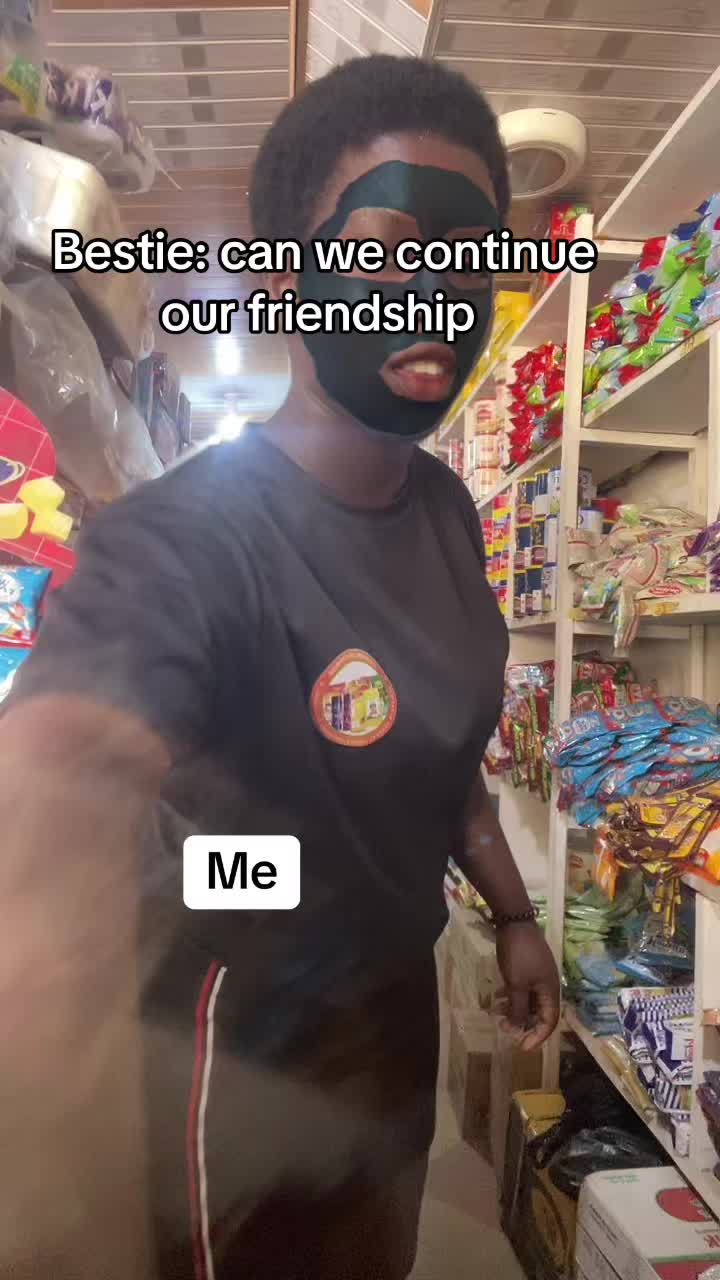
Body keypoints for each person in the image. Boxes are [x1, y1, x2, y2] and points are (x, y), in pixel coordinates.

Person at [0, 54, 559, 1280]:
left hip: (389, 1039)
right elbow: (47, 846)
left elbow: (441, 754)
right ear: (283, 278)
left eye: (469, 256)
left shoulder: (450, 514)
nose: (434, 295)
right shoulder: (185, 539)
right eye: (388, 250)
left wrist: (514, 913)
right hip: (235, 1062)